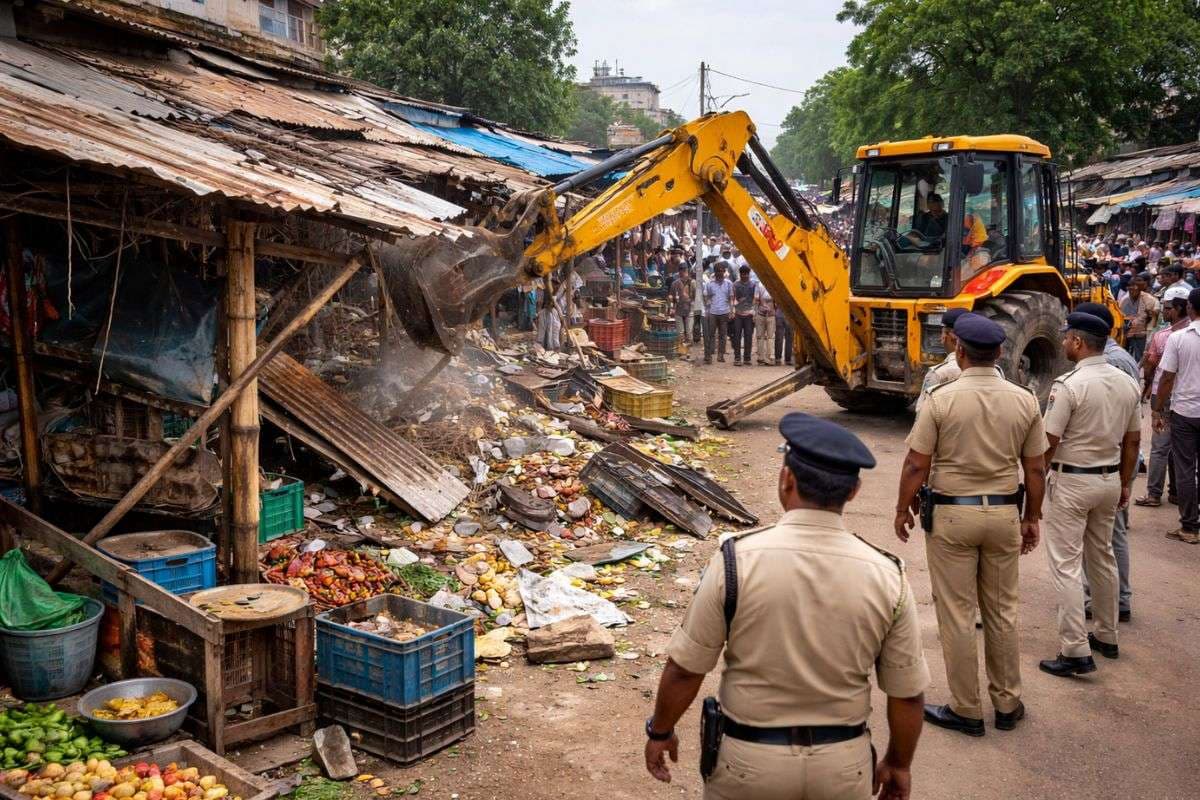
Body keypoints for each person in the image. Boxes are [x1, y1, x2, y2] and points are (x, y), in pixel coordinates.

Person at [646, 413, 929, 799]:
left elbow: (685, 669)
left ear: (786, 479)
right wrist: (898, 763)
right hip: (842, 768)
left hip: (749, 765)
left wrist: (660, 731)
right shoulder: (888, 574)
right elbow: (907, 693)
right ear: (853, 491)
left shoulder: (735, 561)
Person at [895, 313, 1046, 737]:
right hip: (1003, 515)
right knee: (1002, 612)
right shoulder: (1024, 400)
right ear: (999, 352)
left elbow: (915, 463)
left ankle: (966, 708)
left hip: (952, 517)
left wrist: (902, 508)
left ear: (959, 350)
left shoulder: (942, 398)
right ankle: (1008, 703)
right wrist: (1032, 517)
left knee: (957, 614)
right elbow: (1036, 468)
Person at [1039, 312, 1141, 677]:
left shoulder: (1069, 385)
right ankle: (1107, 634)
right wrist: (1125, 483)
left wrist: (1037, 480)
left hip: (1072, 480)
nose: (1064, 343)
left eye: (1067, 338)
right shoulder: (1127, 383)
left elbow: (1049, 441)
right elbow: (1133, 442)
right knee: (1102, 558)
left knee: (1066, 565)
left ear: (1078, 342)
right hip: (1109, 479)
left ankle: (1075, 649)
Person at [1072, 302, 1139, 623]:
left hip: (1110, 460)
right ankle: (1112, 599)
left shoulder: (1112, 363)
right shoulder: (1119, 358)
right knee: (1110, 535)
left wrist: (1123, 478)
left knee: (1110, 536)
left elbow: (1121, 425)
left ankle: (1113, 600)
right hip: (1115, 459)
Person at [1152, 287, 1200, 546]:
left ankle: (1190, 526)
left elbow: (1167, 377)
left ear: (1190, 308)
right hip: (1186, 411)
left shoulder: (1179, 338)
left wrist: (1157, 409)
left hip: (1185, 412)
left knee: (1185, 469)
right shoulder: (1178, 337)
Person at [1137, 296, 1188, 508]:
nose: (1164, 312)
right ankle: (1176, 492)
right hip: (1186, 399)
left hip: (1164, 396)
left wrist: (1150, 390)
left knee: (1159, 447)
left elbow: (1152, 366)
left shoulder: (1164, 336)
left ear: (1179, 309)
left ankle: (1154, 494)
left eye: (1168, 308)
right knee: (1181, 448)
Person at [1119, 271, 1160, 361]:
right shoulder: (1124, 300)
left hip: (1143, 335)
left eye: (1135, 287)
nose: (1132, 289)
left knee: (1140, 358)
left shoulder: (1150, 300)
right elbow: (1121, 316)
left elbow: (1153, 320)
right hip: (1127, 334)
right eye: (1130, 287)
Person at [703, 262, 734, 365]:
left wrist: (731, 310)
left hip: (725, 312)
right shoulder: (709, 284)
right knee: (711, 334)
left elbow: (731, 298)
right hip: (712, 312)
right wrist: (707, 310)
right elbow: (706, 298)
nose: (720, 273)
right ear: (715, 272)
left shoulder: (728, 283)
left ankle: (721, 355)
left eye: (722, 271)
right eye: (718, 271)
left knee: (723, 335)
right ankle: (710, 354)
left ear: (724, 272)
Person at [731, 265, 757, 366]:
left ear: (748, 274)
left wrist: (753, 311)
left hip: (749, 314)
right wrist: (733, 310)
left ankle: (747, 358)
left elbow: (755, 299)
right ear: (740, 274)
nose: (745, 276)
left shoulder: (753, 285)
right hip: (738, 314)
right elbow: (732, 298)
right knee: (737, 336)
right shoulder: (735, 285)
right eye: (743, 274)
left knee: (748, 336)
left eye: (746, 274)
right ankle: (737, 358)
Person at [669, 263, 695, 358]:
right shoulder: (675, 283)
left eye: (684, 271)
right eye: (681, 271)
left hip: (690, 309)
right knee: (680, 333)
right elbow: (671, 296)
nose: (682, 273)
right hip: (678, 309)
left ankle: (688, 352)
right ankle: (682, 352)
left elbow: (697, 296)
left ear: (687, 271)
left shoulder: (693, 283)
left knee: (689, 332)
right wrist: (671, 306)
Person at [753, 279, 777, 365]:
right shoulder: (759, 285)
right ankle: (761, 358)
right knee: (760, 336)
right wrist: (755, 314)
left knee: (770, 337)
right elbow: (756, 300)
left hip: (771, 315)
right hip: (761, 314)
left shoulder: (774, 285)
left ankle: (770, 357)